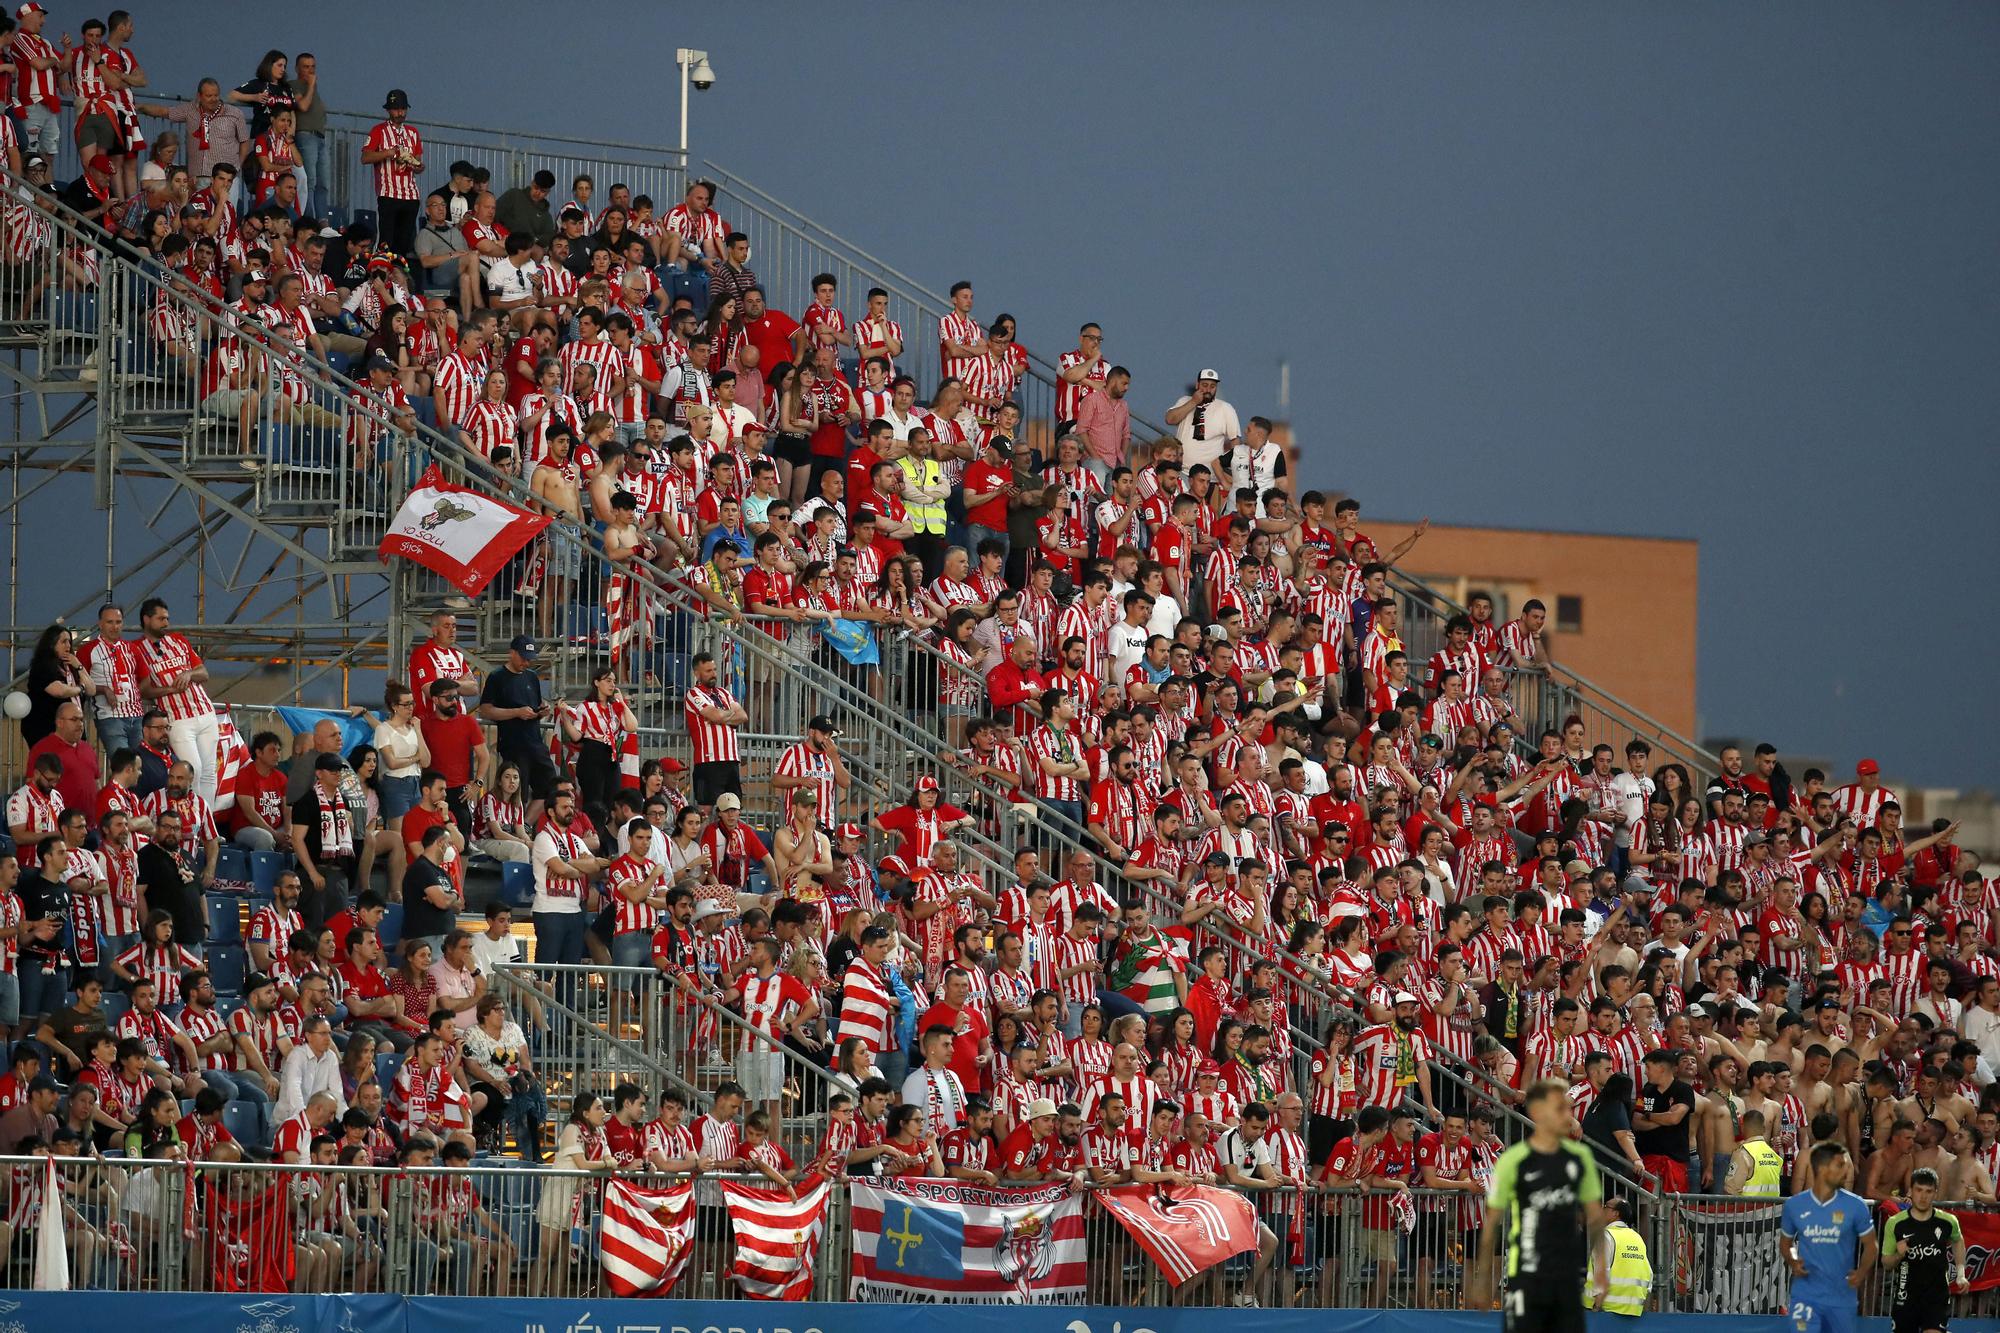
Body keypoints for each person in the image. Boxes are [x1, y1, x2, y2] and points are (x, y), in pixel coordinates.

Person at [1483, 1078, 1604, 1333]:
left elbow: (1595, 1218)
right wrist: (1483, 1277)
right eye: (1560, 1108)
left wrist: (1601, 1271)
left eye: (1567, 1108)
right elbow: (1492, 1220)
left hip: (1568, 1276)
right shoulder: (1513, 1160)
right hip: (1525, 1275)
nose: (1568, 1115)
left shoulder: (1579, 1156)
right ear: (1537, 1111)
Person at [1781, 1143, 1876, 1333]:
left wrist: (1862, 1272)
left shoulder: (1856, 1206)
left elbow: (1871, 1246)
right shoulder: (1794, 1206)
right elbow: (1786, 1243)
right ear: (1823, 1169)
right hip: (1806, 1296)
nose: (1846, 1171)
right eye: (1840, 1165)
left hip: (1842, 1298)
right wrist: (1793, 1260)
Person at [1879, 1166, 1966, 1333]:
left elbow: (1958, 1240)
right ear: (1910, 1191)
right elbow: (1886, 1263)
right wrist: (1899, 1254)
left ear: (1935, 1193)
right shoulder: (1895, 1223)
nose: (1923, 1196)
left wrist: (1961, 1273)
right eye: (1919, 1190)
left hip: (1936, 1296)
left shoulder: (1948, 1221)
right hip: (1906, 1298)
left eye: (1928, 1191)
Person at [1587, 1196, 1654, 1317]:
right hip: (1633, 1312)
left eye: (1606, 1206)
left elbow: (1601, 1273)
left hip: (1605, 1311)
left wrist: (1596, 1308)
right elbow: (1648, 1275)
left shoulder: (1606, 1236)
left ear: (1615, 1213)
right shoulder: (1637, 1237)